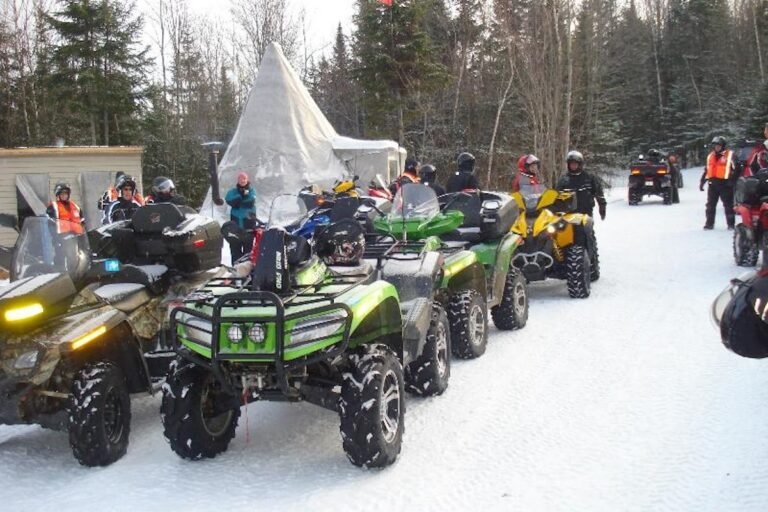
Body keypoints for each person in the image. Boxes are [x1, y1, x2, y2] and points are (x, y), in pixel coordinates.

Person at [699, 136, 738, 230]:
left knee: (728, 206)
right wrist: (702, 182)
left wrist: (732, 181)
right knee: (710, 206)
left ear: (723, 146)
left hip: (725, 184)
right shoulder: (710, 156)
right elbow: (707, 170)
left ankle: (731, 225)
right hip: (713, 184)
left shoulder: (730, 155)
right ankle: (709, 224)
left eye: (719, 145)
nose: (717, 147)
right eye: (715, 145)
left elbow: (737, 170)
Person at [556, 150, 606, 219]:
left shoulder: (589, 177)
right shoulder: (564, 180)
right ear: (568, 165)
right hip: (568, 214)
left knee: (586, 229)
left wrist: (602, 207)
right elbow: (556, 195)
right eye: (571, 164)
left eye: (575, 163)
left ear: (580, 164)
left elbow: (599, 193)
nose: (573, 165)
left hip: (585, 213)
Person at [224, 171, 258, 264]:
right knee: (235, 251)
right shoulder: (232, 192)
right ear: (238, 180)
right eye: (240, 178)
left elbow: (250, 202)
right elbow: (230, 201)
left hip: (248, 226)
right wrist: (241, 196)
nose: (242, 180)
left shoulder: (252, 191)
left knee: (248, 252)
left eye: (244, 178)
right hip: (235, 226)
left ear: (247, 180)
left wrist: (238, 203)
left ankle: (247, 272)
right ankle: (236, 271)